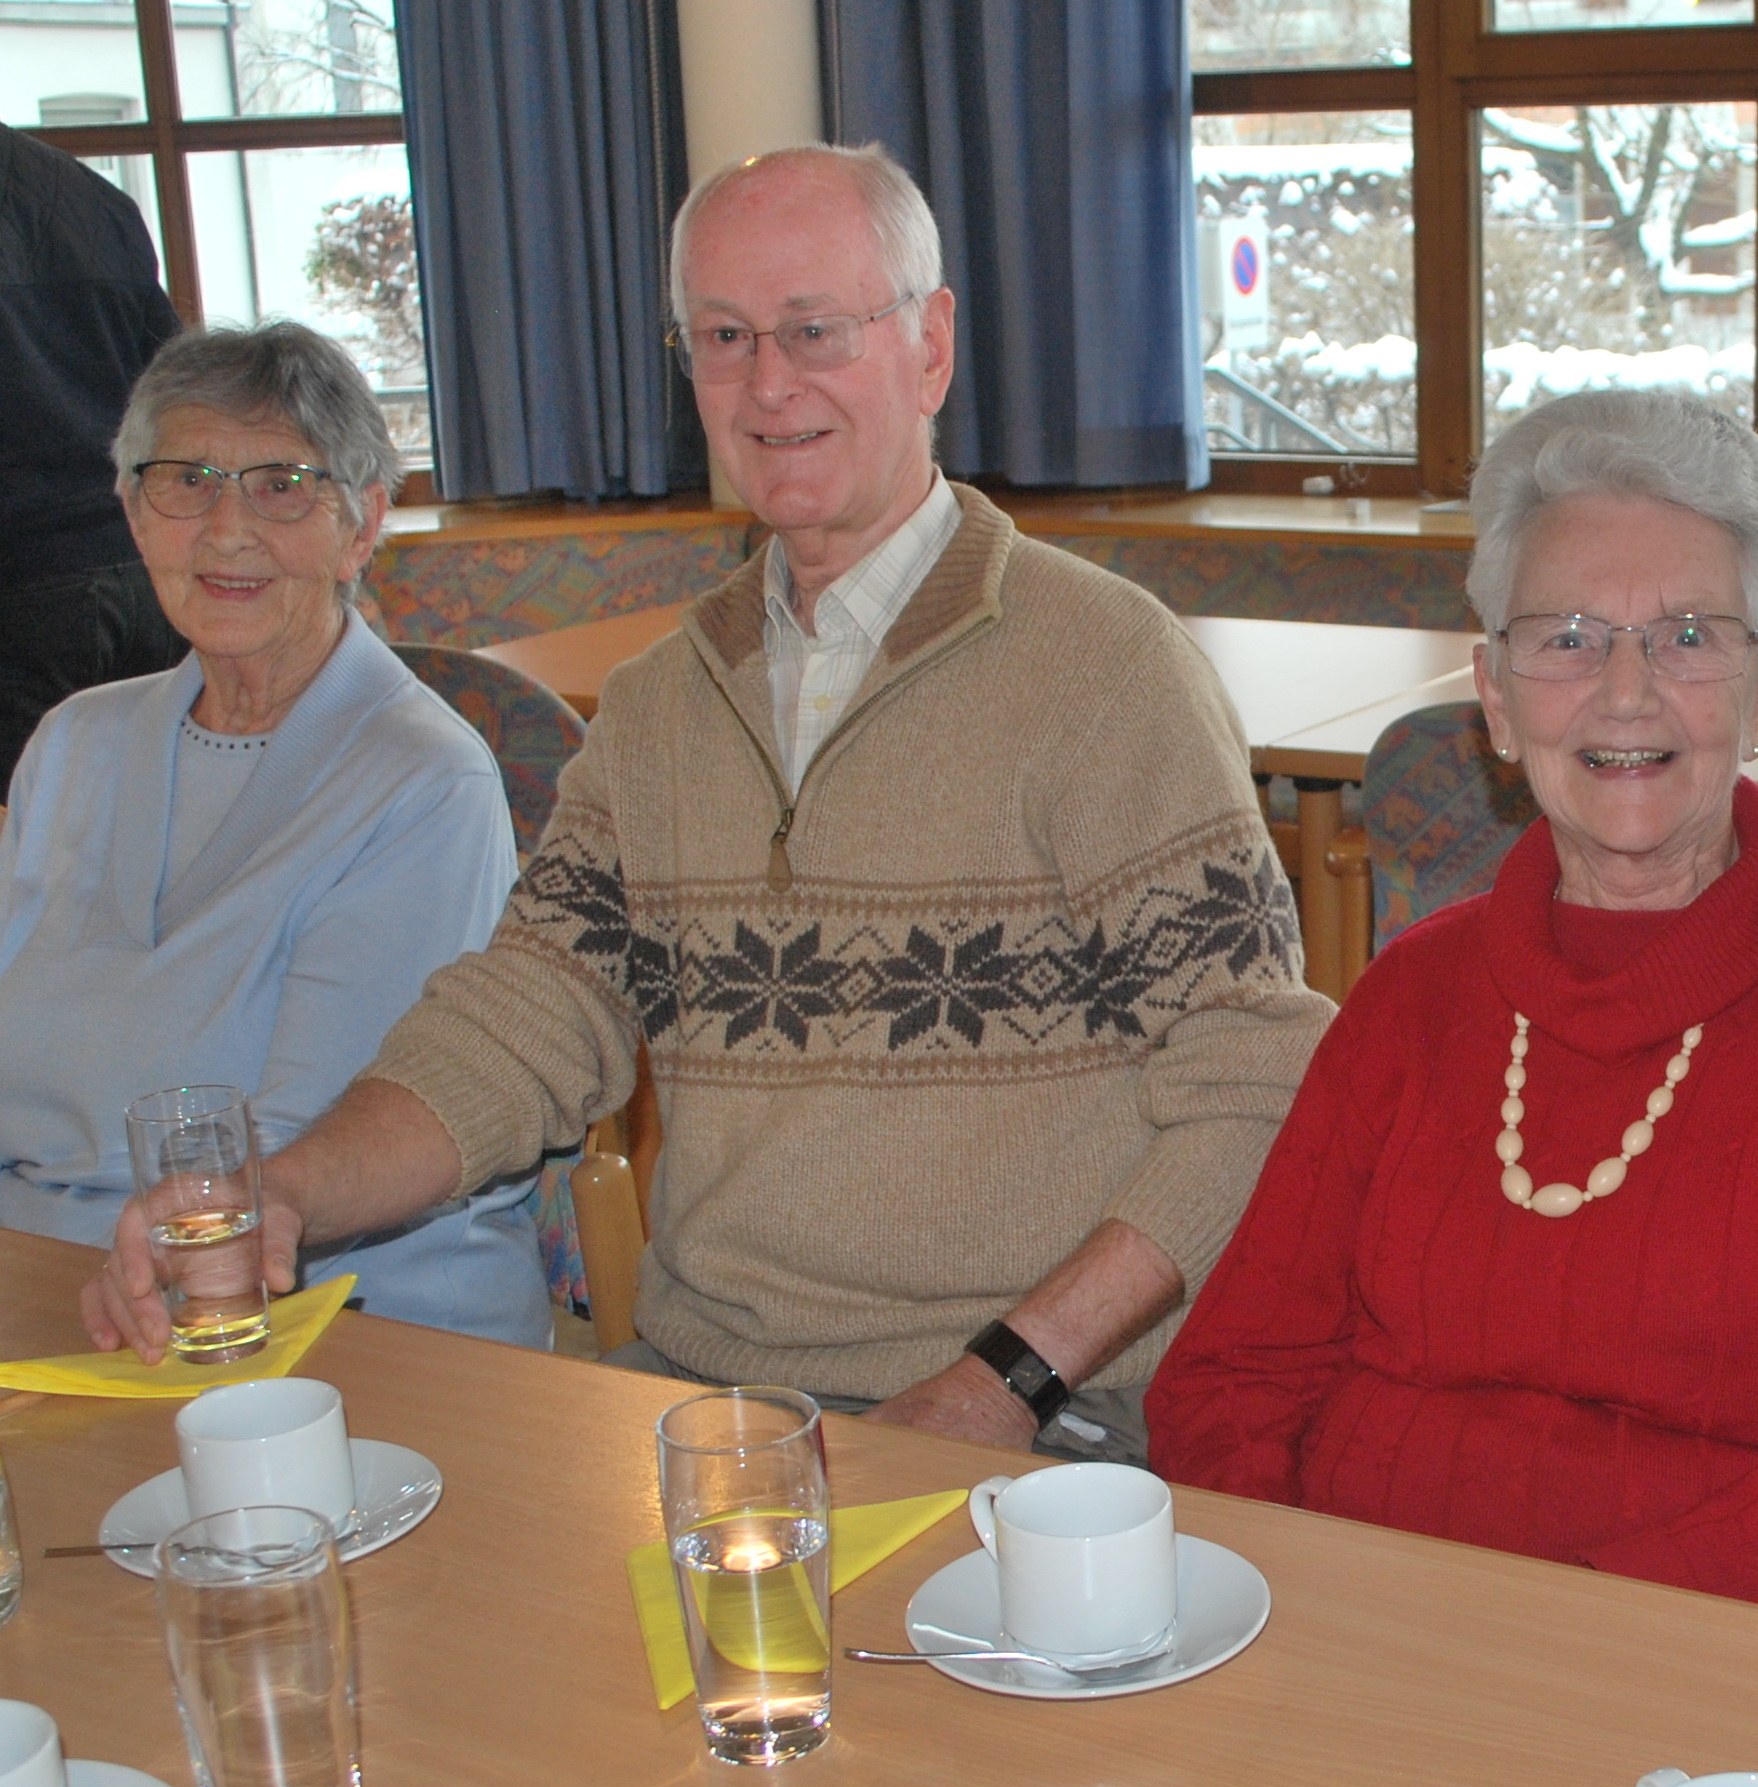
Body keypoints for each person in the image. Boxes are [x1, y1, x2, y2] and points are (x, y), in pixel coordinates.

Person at [83, 143, 1328, 1456]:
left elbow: (1258, 1080)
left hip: (1045, 1408)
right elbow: (521, 1022)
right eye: (724, 337)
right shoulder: (661, 705)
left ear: (929, 345)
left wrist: (1002, 1379)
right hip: (709, 1393)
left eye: (815, 328)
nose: (769, 382)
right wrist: (283, 1193)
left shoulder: (1107, 671)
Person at [1148, 390, 1758, 1632]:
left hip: (1727, 1667)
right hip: (1360, 1640)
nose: (1624, 692)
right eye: (1565, 638)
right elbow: (1229, 1380)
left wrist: (1563, 1638)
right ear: (1497, 701)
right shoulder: (1413, 996)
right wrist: (1311, 1611)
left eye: (1687, 637)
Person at [1, 321, 545, 1346]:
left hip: (335, 1320)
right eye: (187, 481)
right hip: (48, 1296)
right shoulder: (73, 744)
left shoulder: (424, 781)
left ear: (362, 524)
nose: (227, 530)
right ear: (133, 512)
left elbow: (308, 1147)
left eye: (282, 485)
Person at [0, 124, 188, 789]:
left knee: (38, 836)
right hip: (151, 577)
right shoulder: (92, 196)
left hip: (24, 595)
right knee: (161, 815)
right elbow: (179, 393)